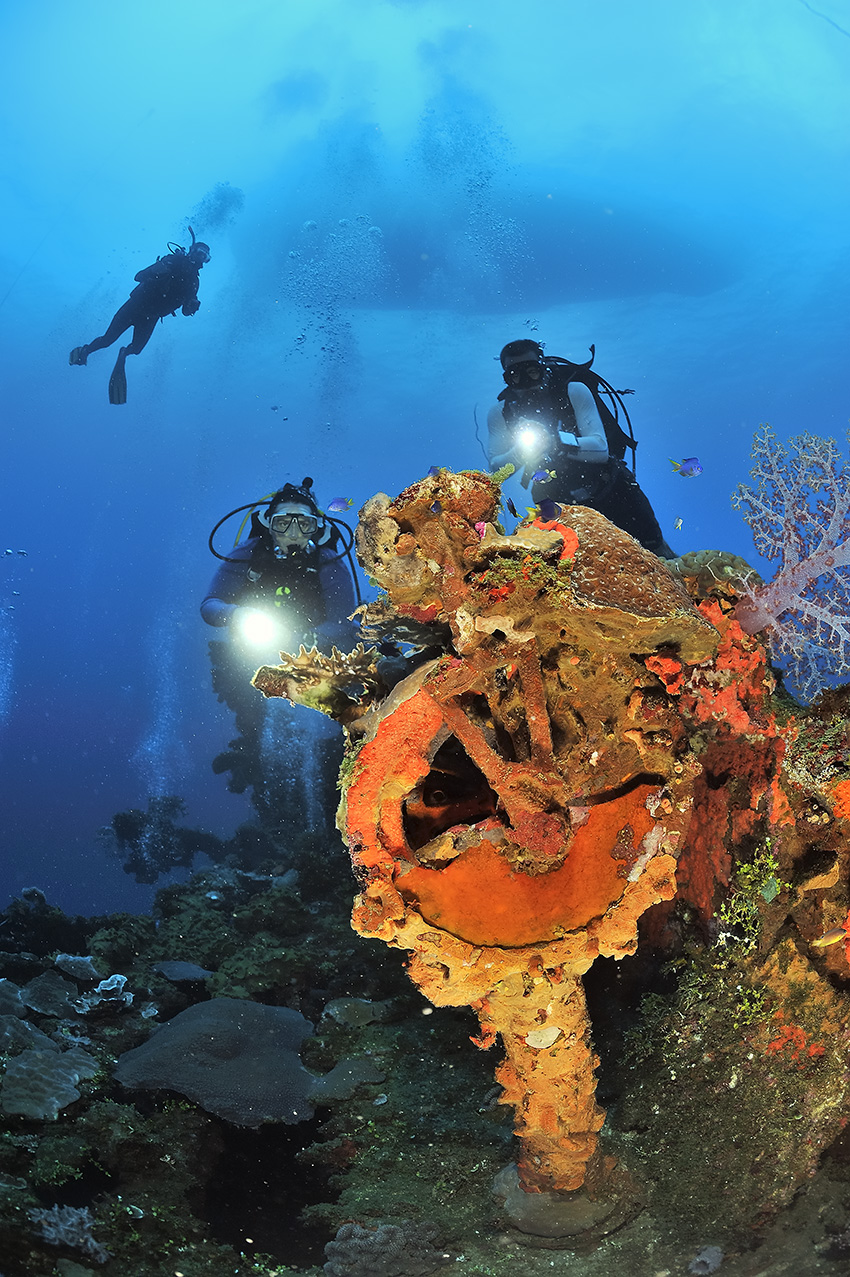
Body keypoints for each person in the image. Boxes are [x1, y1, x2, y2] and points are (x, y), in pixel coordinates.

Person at [201, 478, 359, 811]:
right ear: (268, 525)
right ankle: (256, 764)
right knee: (253, 718)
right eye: (282, 522)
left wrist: (309, 638)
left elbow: (348, 621)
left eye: (304, 523)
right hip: (251, 656)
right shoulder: (248, 555)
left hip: (315, 658)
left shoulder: (328, 560)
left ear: (316, 527)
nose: (292, 532)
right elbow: (210, 605)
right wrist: (239, 615)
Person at [488, 339, 673, 557]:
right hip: (556, 501)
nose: (526, 381)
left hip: (611, 490)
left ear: (543, 366)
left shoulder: (573, 390)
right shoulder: (500, 413)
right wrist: (520, 451)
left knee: (656, 553)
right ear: (506, 378)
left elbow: (601, 448)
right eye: (516, 375)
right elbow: (495, 468)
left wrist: (555, 441)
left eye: (532, 371)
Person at [69, 230, 211, 405]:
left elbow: (185, 312)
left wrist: (192, 306)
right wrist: (157, 270)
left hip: (150, 317)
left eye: (204, 255)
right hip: (134, 307)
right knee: (108, 340)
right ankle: (86, 350)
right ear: (191, 251)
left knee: (136, 349)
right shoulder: (172, 260)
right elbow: (138, 276)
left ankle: (124, 353)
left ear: (206, 260)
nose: (200, 256)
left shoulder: (194, 282)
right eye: (199, 252)